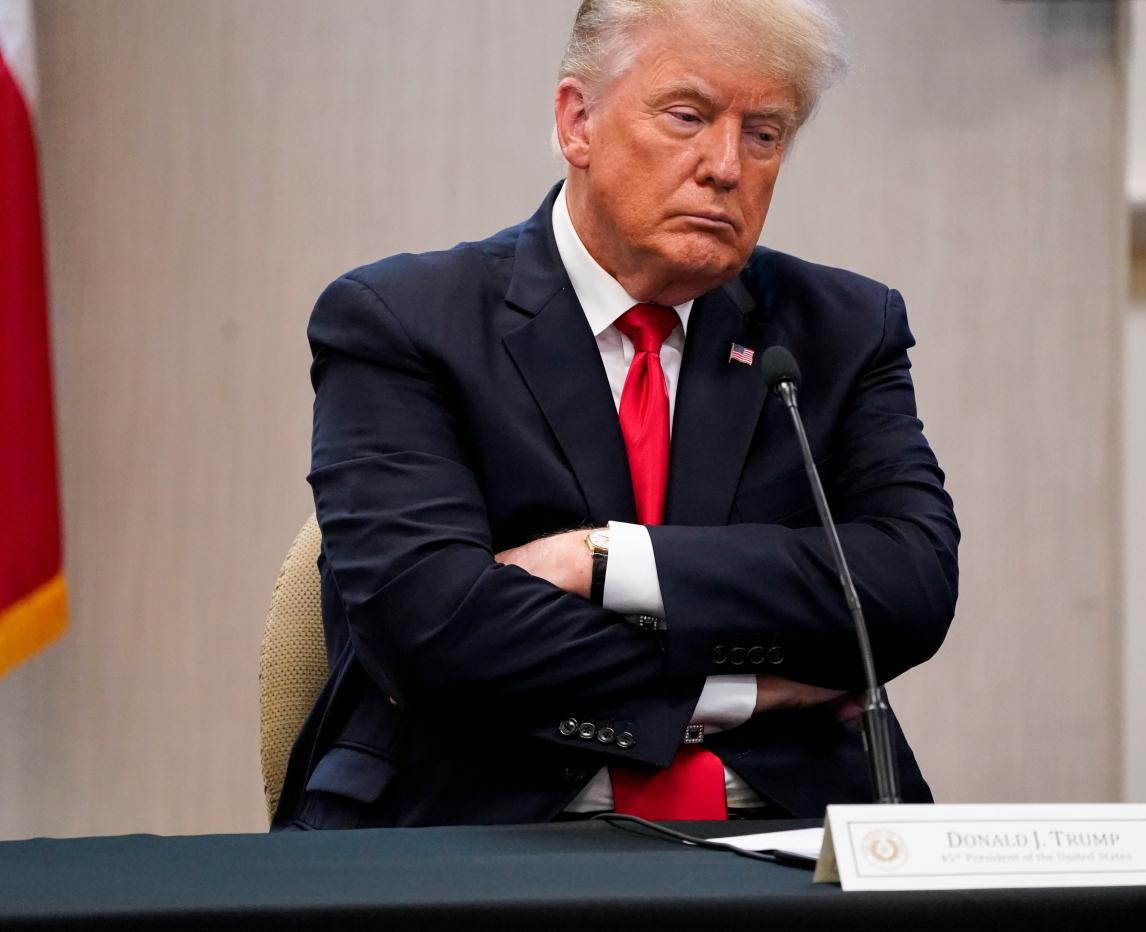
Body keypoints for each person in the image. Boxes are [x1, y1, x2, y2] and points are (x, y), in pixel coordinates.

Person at [272, 0, 958, 831]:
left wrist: (603, 561)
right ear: (578, 121)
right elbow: (434, 628)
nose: (726, 166)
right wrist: (745, 688)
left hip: (787, 826)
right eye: (687, 116)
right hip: (479, 828)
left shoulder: (841, 330)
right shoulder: (402, 321)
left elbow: (907, 588)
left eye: (764, 133)